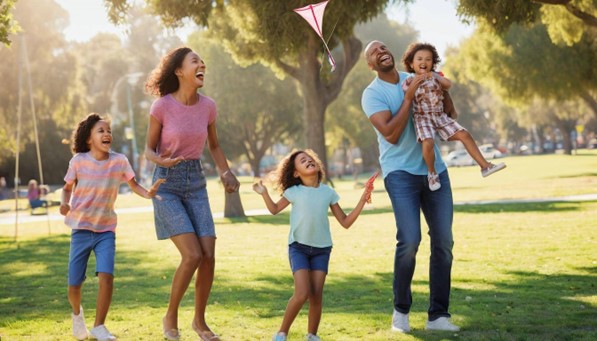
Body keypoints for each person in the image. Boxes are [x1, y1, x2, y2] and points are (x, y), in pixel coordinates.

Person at [361, 40, 460, 333]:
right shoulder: (372, 94)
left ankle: (438, 316)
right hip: (400, 173)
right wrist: (410, 97)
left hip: (434, 171)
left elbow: (449, 115)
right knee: (410, 240)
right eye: (373, 52)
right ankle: (401, 310)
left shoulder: (417, 74)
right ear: (371, 65)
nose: (381, 51)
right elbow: (390, 134)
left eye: (382, 47)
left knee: (443, 241)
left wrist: (442, 88)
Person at [145, 46, 240, 341]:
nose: (202, 64)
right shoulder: (162, 106)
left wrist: (225, 171)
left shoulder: (208, 106)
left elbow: (214, 145)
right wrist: (162, 161)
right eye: (194, 61)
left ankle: (199, 322)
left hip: (196, 181)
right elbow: (148, 150)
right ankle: (170, 316)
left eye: (202, 60)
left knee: (209, 255)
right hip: (166, 184)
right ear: (179, 71)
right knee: (192, 255)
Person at [60, 113, 164, 341]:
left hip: (106, 230)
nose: (107, 134)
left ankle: (99, 326)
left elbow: (133, 184)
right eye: (101, 131)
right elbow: (67, 186)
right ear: (89, 139)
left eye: (109, 131)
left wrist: (148, 193)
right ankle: (77, 314)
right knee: (74, 285)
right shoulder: (78, 161)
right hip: (81, 229)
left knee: (106, 276)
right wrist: (64, 202)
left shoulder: (119, 161)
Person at [252, 149, 374, 341]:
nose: (309, 161)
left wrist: (362, 199)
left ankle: (312, 335)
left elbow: (345, 222)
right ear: (295, 173)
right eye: (303, 161)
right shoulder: (294, 192)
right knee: (302, 293)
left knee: (316, 295)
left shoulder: (328, 192)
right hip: (298, 247)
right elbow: (274, 209)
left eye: (310, 159)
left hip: (321, 250)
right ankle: (282, 332)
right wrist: (264, 193)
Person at [401, 42, 506, 190]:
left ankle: (485, 166)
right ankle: (432, 173)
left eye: (428, 59)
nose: (424, 62)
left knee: (464, 134)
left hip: (440, 116)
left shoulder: (436, 76)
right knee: (428, 142)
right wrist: (413, 85)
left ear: (433, 63)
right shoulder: (409, 80)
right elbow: (407, 97)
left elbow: (448, 85)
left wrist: (435, 76)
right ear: (411, 63)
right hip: (423, 117)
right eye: (419, 59)